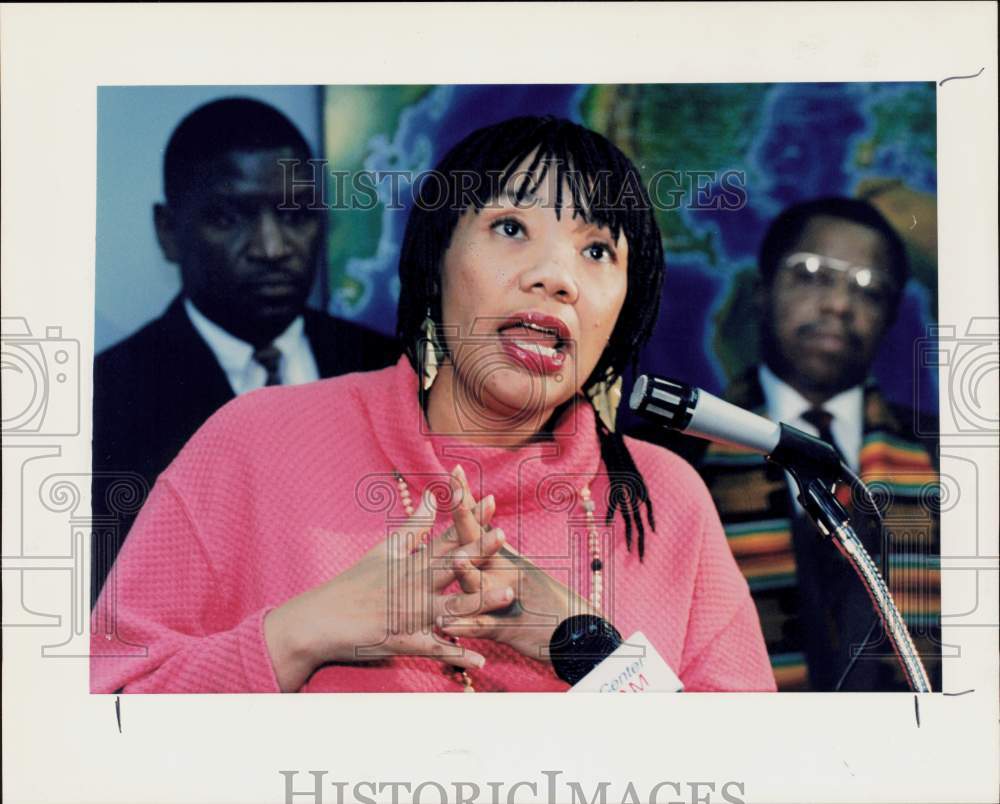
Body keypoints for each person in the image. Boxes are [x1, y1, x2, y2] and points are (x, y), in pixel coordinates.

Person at [90, 116, 775, 694]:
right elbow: (100, 711)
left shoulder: (665, 502)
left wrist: (591, 651)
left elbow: (753, 776)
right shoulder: (256, 441)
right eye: (510, 227)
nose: (556, 277)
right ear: (434, 261)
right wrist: (297, 635)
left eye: (597, 249)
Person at [91, 98, 400, 603]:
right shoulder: (104, 400)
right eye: (230, 217)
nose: (272, 247)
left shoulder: (390, 367)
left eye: (296, 214)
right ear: (169, 232)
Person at [639, 198, 940, 691]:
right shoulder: (670, 458)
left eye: (869, 289)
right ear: (761, 291)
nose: (839, 304)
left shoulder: (945, 459)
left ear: (888, 318)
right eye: (813, 274)